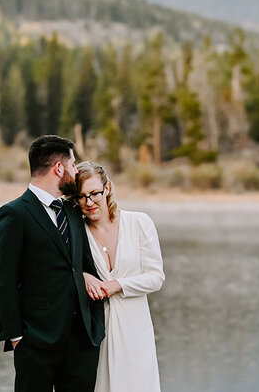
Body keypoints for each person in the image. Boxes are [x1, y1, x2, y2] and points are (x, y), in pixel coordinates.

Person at [0, 135, 106, 392]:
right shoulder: (14, 214)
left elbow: (84, 265)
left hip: (81, 342)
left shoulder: (73, 212)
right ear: (59, 168)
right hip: (36, 343)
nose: (76, 171)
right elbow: (3, 280)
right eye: (73, 165)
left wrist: (94, 326)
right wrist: (17, 337)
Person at [75, 161, 165, 392]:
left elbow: (156, 277)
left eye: (94, 193)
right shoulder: (77, 233)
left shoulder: (139, 223)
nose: (89, 202)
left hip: (135, 329)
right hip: (97, 333)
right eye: (82, 196)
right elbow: (62, 269)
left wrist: (118, 285)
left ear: (108, 188)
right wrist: (82, 276)